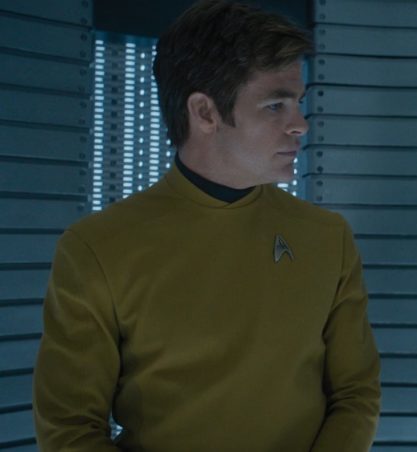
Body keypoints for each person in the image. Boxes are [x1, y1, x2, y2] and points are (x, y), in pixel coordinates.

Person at [33, 1, 380, 450]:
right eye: (275, 105)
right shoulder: (96, 248)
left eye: (298, 103)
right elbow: (69, 430)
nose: (300, 125)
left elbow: (356, 395)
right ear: (205, 112)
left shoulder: (327, 238)